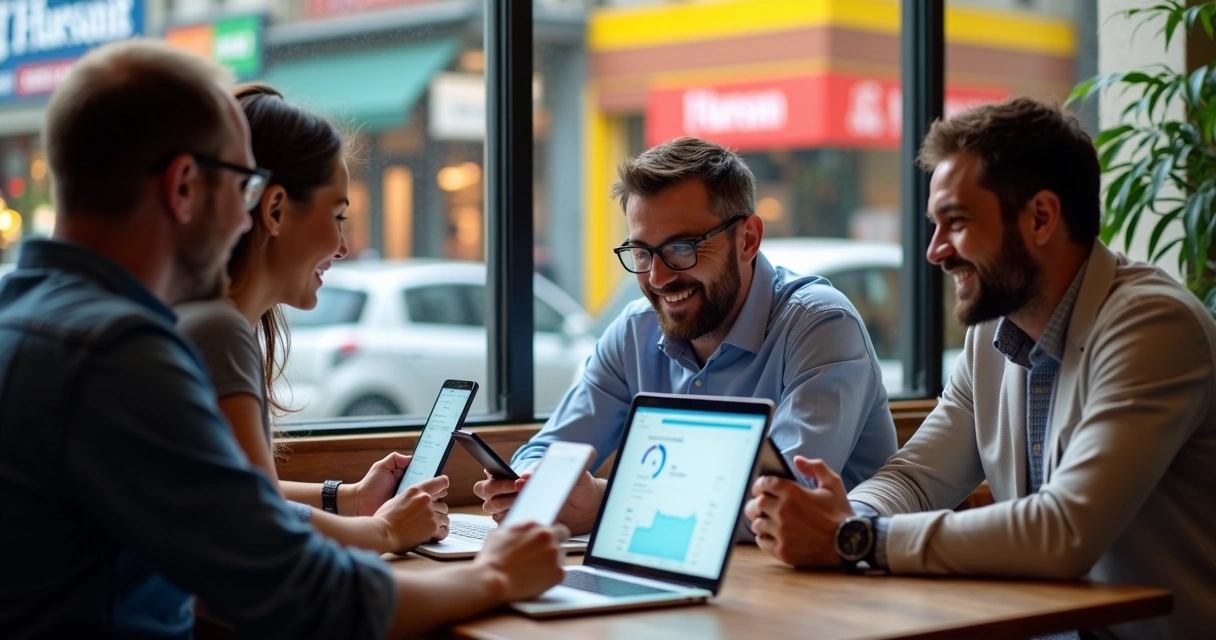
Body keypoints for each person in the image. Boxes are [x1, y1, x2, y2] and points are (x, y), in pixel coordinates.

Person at [0, 39, 563, 639]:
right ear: (185, 186)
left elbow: (233, 519)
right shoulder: (120, 357)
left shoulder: (25, 314)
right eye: (243, 187)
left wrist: (344, 503)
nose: (247, 218)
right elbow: (291, 592)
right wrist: (496, 576)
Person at [744, 97, 1216, 640]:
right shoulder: (991, 334)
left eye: (957, 222)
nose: (935, 251)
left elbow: (1064, 531)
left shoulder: (1152, 326)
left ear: (1041, 217)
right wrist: (840, 514)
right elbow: (916, 479)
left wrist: (856, 538)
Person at [476, 137, 899, 534]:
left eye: (682, 248)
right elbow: (546, 449)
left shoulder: (820, 325)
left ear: (747, 239)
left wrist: (608, 503)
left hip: (830, 587)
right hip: (698, 577)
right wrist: (528, 487)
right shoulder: (633, 331)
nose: (658, 278)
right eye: (642, 252)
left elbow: (785, 505)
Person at [176, 84, 447, 554]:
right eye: (338, 216)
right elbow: (258, 529)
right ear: (276, 209)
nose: (343, 247)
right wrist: (384, 532)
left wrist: (353, 500)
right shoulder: (217, 333)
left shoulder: (207, 320)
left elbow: (243, 492)